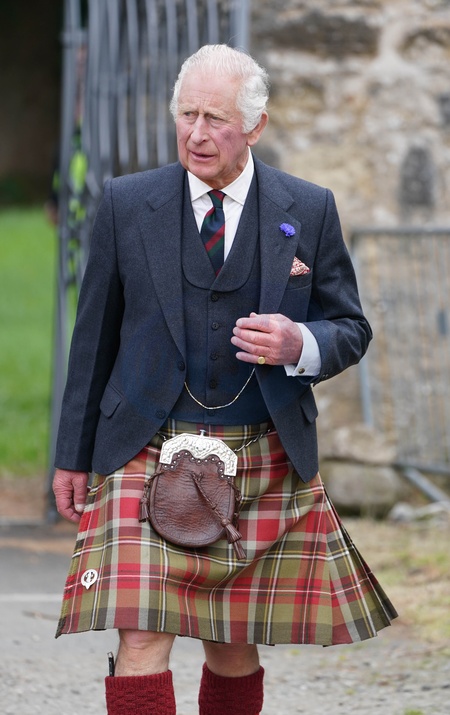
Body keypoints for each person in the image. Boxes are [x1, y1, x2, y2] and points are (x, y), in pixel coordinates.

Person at [53, 44, 397, 715]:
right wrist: (73, 454)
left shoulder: (308, 208)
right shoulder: (127, 203)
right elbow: (92, 339)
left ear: (255, 126)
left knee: (232, 641)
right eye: (187, 115)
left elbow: (350, 326)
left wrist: (300, 342)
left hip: (259, 449)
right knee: (140, 631)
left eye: (216, 119)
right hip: (144, 444)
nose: (197, 133)